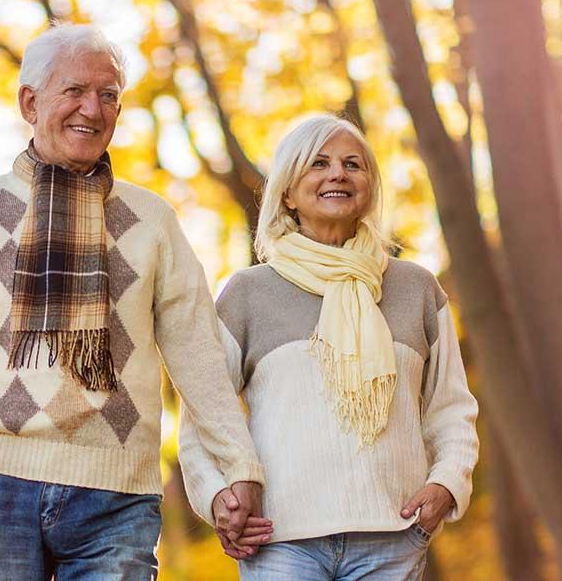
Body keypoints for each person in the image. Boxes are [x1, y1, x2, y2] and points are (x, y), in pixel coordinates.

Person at [0, 23, 266, 579]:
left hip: (117, 490)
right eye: (74, 91)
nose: (93, 108)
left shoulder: (153, 220)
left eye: (109, 95)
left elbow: (198, 353)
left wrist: (239, 466)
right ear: (29, 101)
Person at [179, 113, 479, 580]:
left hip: (392, 538)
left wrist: (447, 483)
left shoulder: (415, 289)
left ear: (369, 187)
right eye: (319, 163)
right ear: (287, 191)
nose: (338, 173)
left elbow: (451, 408)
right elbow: (205, 411)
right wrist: (216, 494)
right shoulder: (248, 294)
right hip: (279, 543)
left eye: (352, 164)